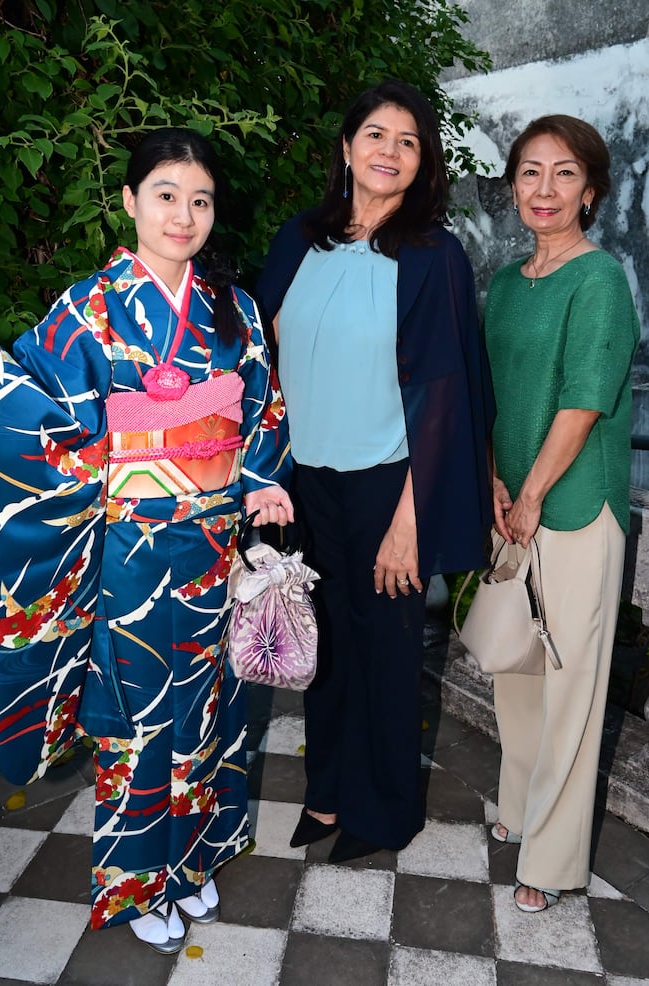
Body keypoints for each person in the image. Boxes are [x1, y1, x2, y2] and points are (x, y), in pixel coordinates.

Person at [0, 128, 293, 951]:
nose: (183, 214)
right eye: (165, 194)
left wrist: (262, 479)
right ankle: (136, 888)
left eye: (200, 199)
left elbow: (262, 409)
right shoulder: (87, 309)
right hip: (130, 553)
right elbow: (36, 417)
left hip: (212, 549)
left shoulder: (236, 311)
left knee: (208, 715)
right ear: (129, 202)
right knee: (136, 721)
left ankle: (189, 867)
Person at [256, 80, 494, 863]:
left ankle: (383, 808)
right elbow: (262, 363)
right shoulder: (300, 238)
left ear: (423, 162)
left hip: (391, 482)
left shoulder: (434, 257)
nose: (389, 151)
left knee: (387, 654)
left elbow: (447, 401)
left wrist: (411, 519)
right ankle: (325, 793)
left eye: (409, 141)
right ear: (347, 145)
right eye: (376, 135)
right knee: (319, 647)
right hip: (304, 486)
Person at [484, 115, 640, 912]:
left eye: (565, 174)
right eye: (530, 173)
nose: (545, 190)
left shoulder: (601, 278)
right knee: (519, 669)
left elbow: (583, 402)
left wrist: (535, 492)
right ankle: (517, 808)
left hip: (576, 505)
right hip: (512, 503)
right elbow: (486, 398)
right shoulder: (507, 282)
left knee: (572, 681)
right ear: (513, 185)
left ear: (592, 190)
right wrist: (494, 485)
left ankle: (551, 857)